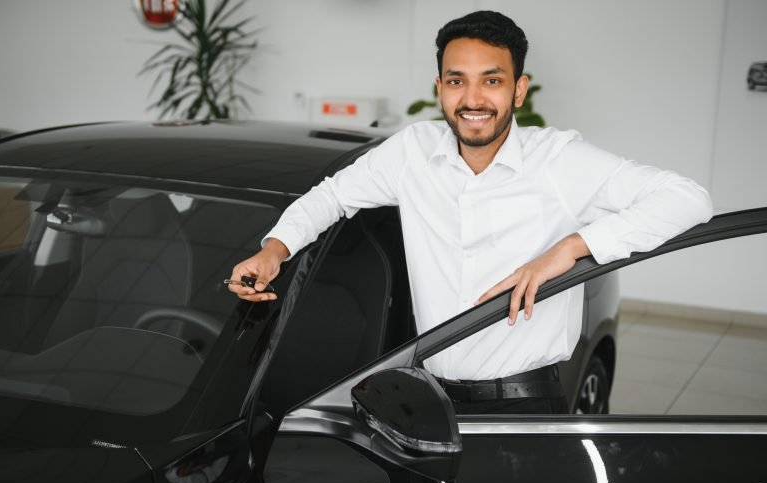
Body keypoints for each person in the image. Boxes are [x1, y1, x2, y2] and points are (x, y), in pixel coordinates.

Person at [228, 11, 712, 414]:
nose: (473, 99)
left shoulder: (560, 161)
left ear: (519, 90)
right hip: (428, 399)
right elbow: (332, 196)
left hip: (523, 404)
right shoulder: (411, 153)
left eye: (492, 81)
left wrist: (571, 248)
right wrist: (275, 249)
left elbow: (689, 199)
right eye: (457, 81)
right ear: (440, 86)